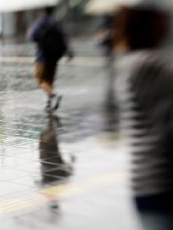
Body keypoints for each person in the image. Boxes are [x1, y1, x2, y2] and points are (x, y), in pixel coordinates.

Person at [113, 2, 173, 229]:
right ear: (152, 22)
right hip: (161, 183)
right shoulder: (149, 65)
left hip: (149, 184)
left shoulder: (134, 61)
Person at [29, 6, 73, 113]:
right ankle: (49, 104)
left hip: (42, 56)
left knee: (40, 79)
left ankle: (54, 95)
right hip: (54, 57)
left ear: (43, 10)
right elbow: (64, 37)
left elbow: (32, 36)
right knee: (49, 81)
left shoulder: (40, 22)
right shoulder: (57, 22)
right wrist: (68, 52)